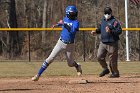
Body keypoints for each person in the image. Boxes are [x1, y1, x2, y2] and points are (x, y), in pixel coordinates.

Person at [32, 5, 82, 81]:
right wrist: (57, 24)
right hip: (61, 42)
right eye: (72, 13)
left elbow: (72, 31)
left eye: (75, 13)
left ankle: (77, 66)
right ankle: (38, 75)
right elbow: (62, 23)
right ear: (68, 13)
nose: (74, 14)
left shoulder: (76, 22)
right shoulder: (65, 19)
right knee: (50, 58)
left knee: (70, 63)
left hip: (70, 45)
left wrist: (64, 24)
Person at [91, 6, 122, 78]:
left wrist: (111, 31)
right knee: (99, 57)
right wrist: (95, 31)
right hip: (103, 43)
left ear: (111, 13)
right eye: (105, 13)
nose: (107, 14)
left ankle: (115, 73)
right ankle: (105, 69)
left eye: (108, 13)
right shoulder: (103, 20)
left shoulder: (114, 21)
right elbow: (100, 29)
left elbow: (119, 31)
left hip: (112, 43)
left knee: (112, 60)